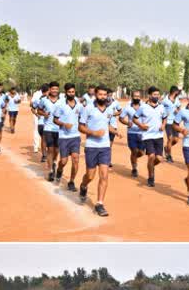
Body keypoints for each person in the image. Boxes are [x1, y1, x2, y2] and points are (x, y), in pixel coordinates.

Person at [78, 85, 119, 217]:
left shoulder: (110, 109)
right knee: (90, 176)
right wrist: (94, 133)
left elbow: (105, 124)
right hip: (91, 146)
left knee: (104, 175)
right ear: (95, 94)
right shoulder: (88, 108)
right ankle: (83, 186)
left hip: (105, 147)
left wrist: (115, 131)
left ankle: (99, 204)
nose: (103, 97)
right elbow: (81, 127)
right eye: (100, 94)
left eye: (105, 94)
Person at [133, 86, 167, 186]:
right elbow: (135, 119)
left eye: (158, 94)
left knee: (159, 159)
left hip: (159, 136)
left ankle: (151, 166)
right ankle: (151, 177)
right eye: (154, 95)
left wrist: (163, 125)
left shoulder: (161, 107)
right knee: (151, 156)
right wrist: (141, 125)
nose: (156, 96)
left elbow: (165, 118)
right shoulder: (143, 107)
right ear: (149, 95)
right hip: (147, 136)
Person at [52, 83, 82, 191]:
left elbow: (82, 118)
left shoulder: (79, 105)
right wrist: (64, 124)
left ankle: (72, 181)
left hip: (75, 136)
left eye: (73, 92)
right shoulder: (60, 105)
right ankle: (59, 170)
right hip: (64, 137)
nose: (71, 94)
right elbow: (54, 120)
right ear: (65, 92)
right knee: (64, 161)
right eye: (69, 92)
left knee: (75, 159)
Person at [38, 82, 62, 180]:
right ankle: (51, 171)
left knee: (57, 150)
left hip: (60, 129)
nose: (55, 91)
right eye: (53, 89)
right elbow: (38, 110)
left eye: (56, 89)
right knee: (50, 149)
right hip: (48, 128)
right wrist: (44, 114)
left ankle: (55, 162)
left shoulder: (63, 101)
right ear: (50, 90)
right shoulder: (43, 100)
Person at [119, 90, 145, 178]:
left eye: (138, 96)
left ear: (140, 97)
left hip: (142, 133)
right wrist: (127, 123)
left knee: (141, 153)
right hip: (132, 133)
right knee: (134, 151)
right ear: (132, 97)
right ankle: (134, 168)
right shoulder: (127, 107)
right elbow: (121, 118)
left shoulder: (145, 106)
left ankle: (133, 158)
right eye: (135, 96)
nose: (137, 98)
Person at [162, 86, 182, 162]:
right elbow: (160, 107)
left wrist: (177, 110)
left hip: (175, 122)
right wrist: (164, 113)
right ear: (174, 91)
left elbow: (179, 106)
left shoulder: (177, 99)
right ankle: (169, 156)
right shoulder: (165, 100)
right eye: (177, 91)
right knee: (170, 138)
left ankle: (166, 147)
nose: (178, 93)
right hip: (168, 122)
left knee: (176, 140)